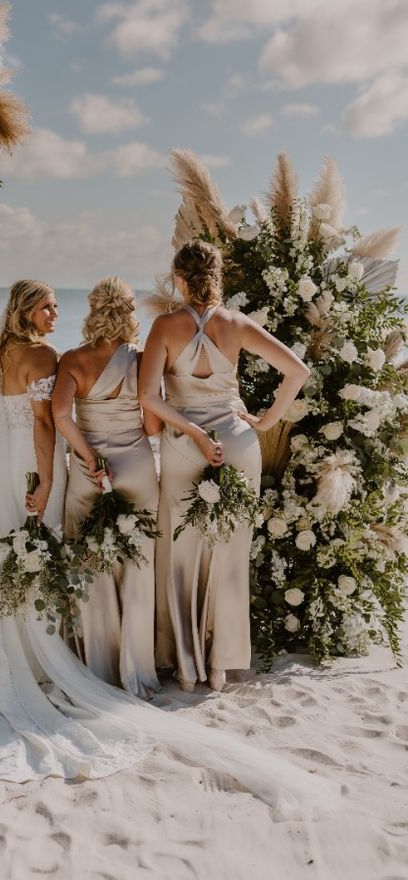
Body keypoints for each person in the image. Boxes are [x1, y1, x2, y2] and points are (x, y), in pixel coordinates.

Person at [0, 278, 333, 818]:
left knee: (17, 555)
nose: (55, 313)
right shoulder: (60, 356)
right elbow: (61, 424)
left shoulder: (6, 356)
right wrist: (47, 478)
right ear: (28, 310)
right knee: (76, 559)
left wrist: (56, 461)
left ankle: (31, 648)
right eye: (48, 306)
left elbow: (34, 417)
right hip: (52, 469)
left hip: (9, 469)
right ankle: (94, 660)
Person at [139, 240, 309, 693]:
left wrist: (193, 433)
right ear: (216, 276)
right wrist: (265, 420)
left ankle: (186, 666)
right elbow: (298, 372)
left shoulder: (163, 326)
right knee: (229, 552)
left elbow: (149, 398)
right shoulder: (237, 324)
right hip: (236, 440)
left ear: (178, 277)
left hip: (182, 442)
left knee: (181, 549)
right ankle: (221, 664)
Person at [53, 277, 160, 697]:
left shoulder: (73, 359)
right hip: (134, 465)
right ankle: (134, 667)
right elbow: (152, 423)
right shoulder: (143, 359)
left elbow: (62, 415)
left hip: (87, 471)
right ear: (130, 313)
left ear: (93, 310)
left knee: (85, 561)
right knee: (138, 566)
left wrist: (89, 457)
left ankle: (90, 663)